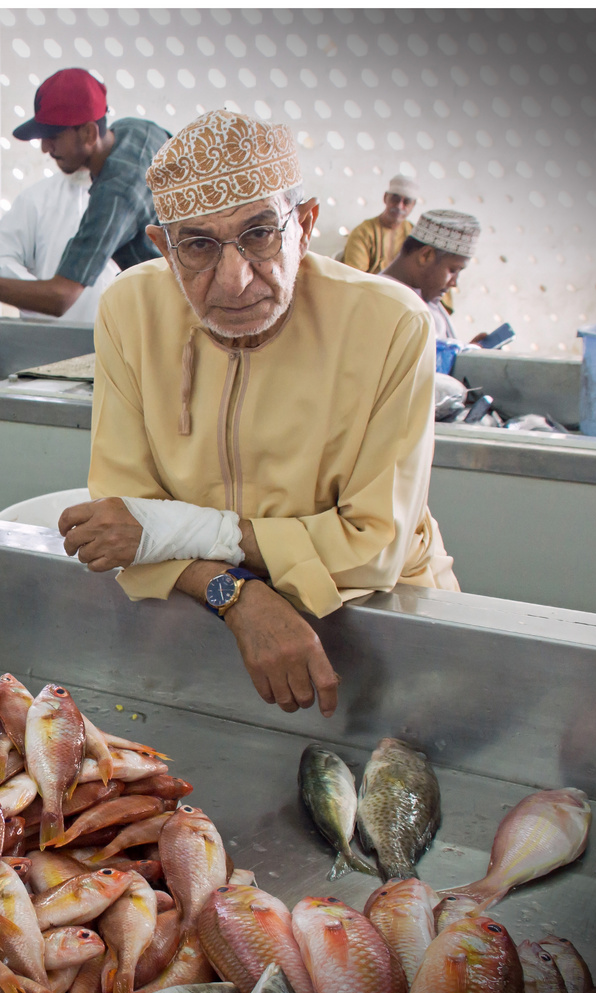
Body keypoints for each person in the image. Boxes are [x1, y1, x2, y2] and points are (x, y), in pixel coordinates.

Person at [57, 111, 459, 719]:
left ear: (306, 223)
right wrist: (236, 595)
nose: (235, 280)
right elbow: (126, 520)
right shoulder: (130, 310)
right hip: (215, 616)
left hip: (384, 618)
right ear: (162, 247)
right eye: (196, 245)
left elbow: (372, 545)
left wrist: (191, 539)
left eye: (260, 234)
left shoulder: (391, 325)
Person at [0, 68, 169, 319]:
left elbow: (59, 298)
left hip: (180, 312)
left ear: (89, 133)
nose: (46, 148)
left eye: (53, 136)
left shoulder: (115, 196)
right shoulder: (135, 130)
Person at [0, 167, 121, 323]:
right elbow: (4, 256)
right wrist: (41, 296)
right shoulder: (36, 198)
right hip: (48, 332)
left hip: (120, 333)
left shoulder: (129, 196)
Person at [380, 209, 485, 345]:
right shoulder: (391, 302)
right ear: (426, 256)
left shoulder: (424, 298)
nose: (454, 283)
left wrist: (469, 353)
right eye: (453, 270)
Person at [339, 173, 420, 275]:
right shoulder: (363, 232)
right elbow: (355, 276)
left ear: (413, 205)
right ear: (385, 197)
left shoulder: (415, 236)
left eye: (406, 202)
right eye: (395, 199)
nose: (399, 206)